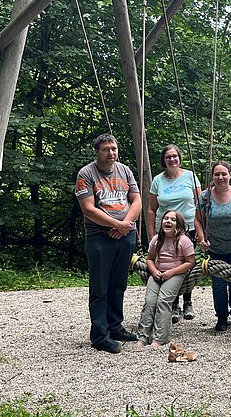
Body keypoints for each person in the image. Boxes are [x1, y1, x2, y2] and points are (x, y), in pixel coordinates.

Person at [75, 133, 141, 354]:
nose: (111, 153)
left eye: (113, 148)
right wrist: (116, 224)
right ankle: (99, 335)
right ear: (97, 151)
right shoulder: (86, 174)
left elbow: (137, 200)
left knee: (118, 284)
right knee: (100, 287)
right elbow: (88, 208)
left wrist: (125, 224)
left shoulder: (125, 170)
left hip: (125, 234)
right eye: (106, 149)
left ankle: (115, 326)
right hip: (99, 237)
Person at [147, 144, 202, 324]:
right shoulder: (158, 180)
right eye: (168, 157)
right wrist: (151, 233)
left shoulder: (190, 177)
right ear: (164, 160)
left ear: (179, 158)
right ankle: (174, 305)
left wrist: (202, 230)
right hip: (165, 229)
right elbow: (151, 209)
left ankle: (188, 301)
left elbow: (200, 203)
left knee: (186, 263)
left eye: (175, 156)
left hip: (188, 228)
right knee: (167, 263)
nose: (172, 159)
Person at [198, 161, 231, 331]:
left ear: (230, 175)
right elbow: (198, 219)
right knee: (218, 283)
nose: (221, 177)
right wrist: (202, 238)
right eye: (217, 174)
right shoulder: (205, 196)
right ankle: (220, 316)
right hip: (215, 246)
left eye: (224, 174)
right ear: (212, 176)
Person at [137, 211, 196, 347]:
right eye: (166, 218)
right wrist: (154, 271)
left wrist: (171, 272)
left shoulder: (184, 240)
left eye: (173, 220)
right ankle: (142, 337)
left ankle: (159, 339)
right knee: (150, 301)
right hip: (157, 272)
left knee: (163, 301)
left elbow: (190, 262)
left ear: (179, 225)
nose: (168, 221)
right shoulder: (157, 239)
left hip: (176, 273)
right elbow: (150, 259)